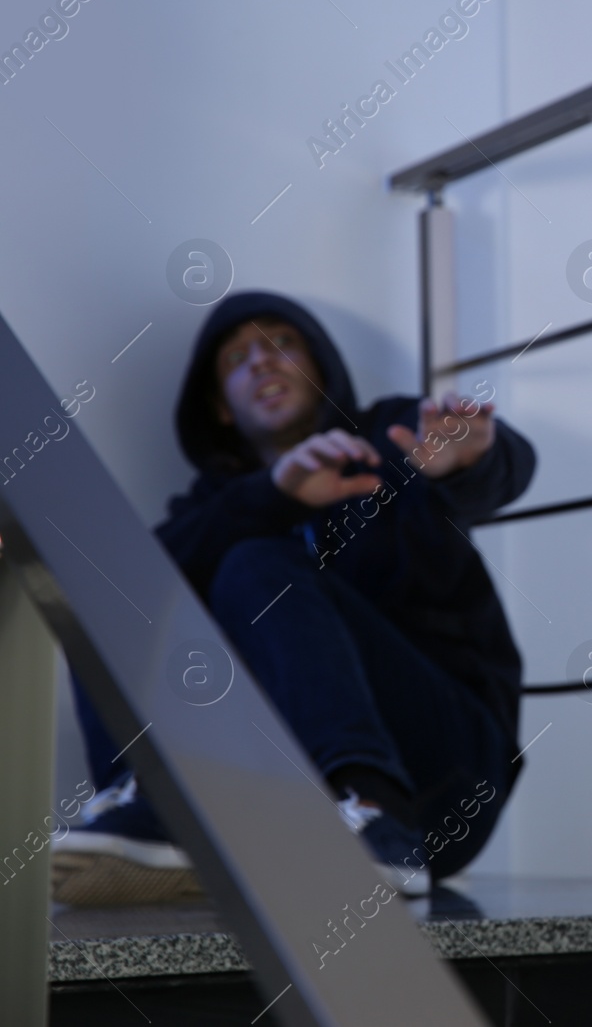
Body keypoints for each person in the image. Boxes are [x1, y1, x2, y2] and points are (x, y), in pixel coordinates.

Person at [53, 291, 534, 907]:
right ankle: (158, 808)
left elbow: (500, 472)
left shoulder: (391, 441)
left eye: (282, 343)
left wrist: (471, 459)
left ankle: (375, 810)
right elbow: (124, 586)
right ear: (220, 410)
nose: (262, 361)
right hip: (292, 801)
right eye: (236, 358)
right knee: (125, 588)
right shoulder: (210, 513)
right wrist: (272, 496)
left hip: (446, 776)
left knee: (259, 566)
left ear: (321, 368)